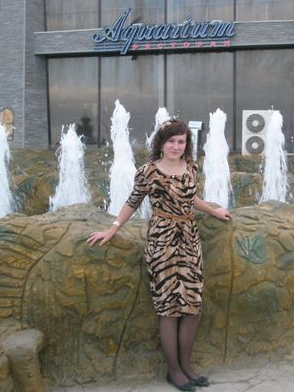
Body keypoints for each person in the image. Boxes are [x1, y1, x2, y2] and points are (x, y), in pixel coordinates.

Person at [87, 119, 231, 391]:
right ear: (161, 143)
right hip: (162, 242)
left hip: (189, 240)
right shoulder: (148, 172)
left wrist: (214, 211)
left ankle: (187, 366)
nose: (176, 146)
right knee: (169, 308)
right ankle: (174, 371)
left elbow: (191, 199)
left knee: (192, 305)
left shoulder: (191, 167)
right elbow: (133, 201)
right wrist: (112, 229)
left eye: (181, 141)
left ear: (186, 144)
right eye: (171, 141)